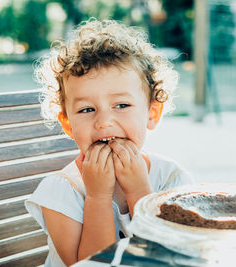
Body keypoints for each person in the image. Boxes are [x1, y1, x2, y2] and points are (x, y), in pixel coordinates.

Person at [25, 18, 194, 267]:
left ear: (151, 113)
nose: (104, 122)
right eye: (86, 109)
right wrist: (98, 197)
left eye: (122, 105)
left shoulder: (171, 180)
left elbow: (170, 259)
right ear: (68, 124)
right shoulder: (61, 192)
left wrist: (139, 193)